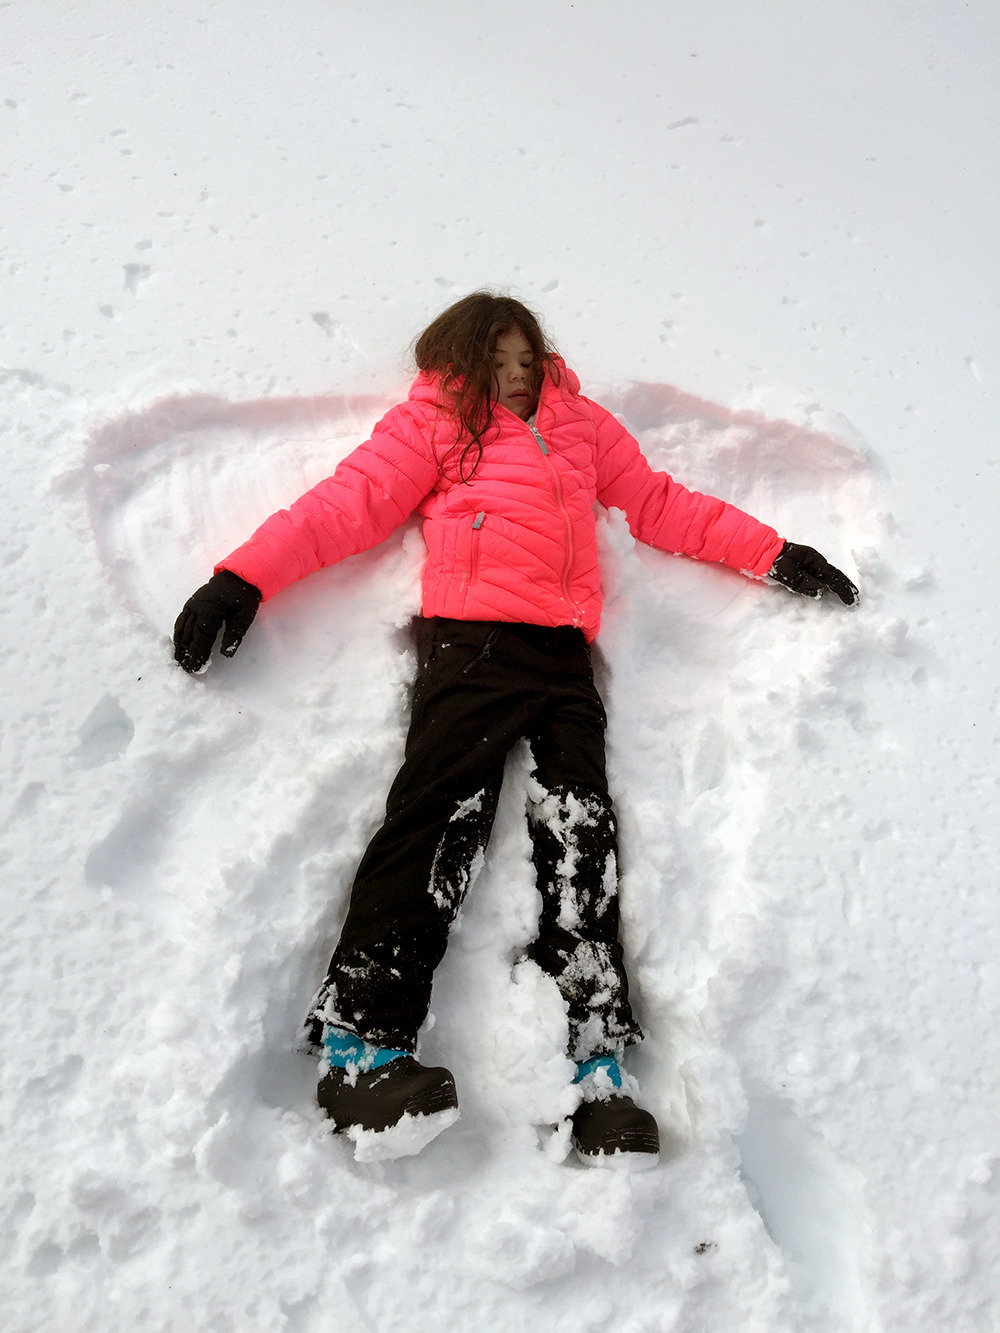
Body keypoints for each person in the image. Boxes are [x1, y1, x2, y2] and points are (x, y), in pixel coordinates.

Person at [173, 292, 858, 1168]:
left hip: (564, 660)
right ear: (463, 362)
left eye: (526, 358)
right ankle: (362, 1047)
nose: (517, 375)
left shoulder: (581, 425)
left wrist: (771, 552)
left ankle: (597, 1074)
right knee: (437, 823)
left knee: (582, 841)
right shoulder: (437, 424)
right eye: (497, 361)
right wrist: (243, 577)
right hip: (474, 647)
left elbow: (658, 502)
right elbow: (348, 503)